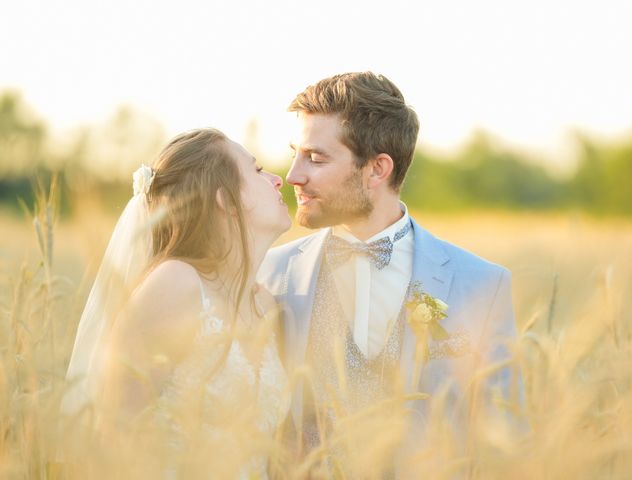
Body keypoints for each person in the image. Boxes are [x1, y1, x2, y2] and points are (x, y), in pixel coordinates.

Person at [257, 72, 520, 476]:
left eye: (316, 157)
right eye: (296, 154)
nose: (293, 175)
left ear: (377, 169)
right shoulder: (270, 274)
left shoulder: (482, 284)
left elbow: (505, 439)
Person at [61, 128, 292, 479]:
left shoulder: (268, 306)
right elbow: (112, 436)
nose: (278, 180)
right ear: (226, 200)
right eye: (257, 170)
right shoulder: (176, 285)